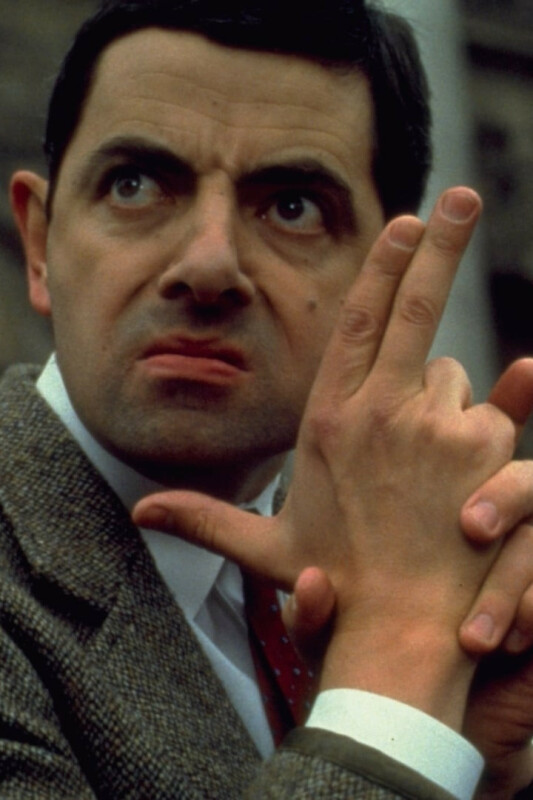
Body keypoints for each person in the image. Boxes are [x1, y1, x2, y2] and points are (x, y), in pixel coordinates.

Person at [2, 0, 533, 797]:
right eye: (135, 185)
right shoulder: (402, 613)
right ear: (41, 244)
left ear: (388, 279)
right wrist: (396, 667)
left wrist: (461, 761)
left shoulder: (385, 565)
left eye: (291, 206)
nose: (208, 265)